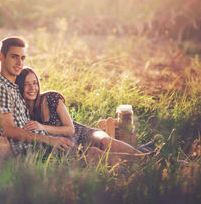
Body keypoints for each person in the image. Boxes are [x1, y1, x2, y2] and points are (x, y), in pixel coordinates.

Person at [15, 67, 150, 164]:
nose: (32, 88)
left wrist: (42, 127)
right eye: (26, 84)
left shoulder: (51, 98)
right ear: (20, 87)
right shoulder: (23, 114)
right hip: (68, 148)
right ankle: (141, 162)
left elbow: (70, 129)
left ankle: (145, 157)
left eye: (34, 83)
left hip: (82, 134)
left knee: (104, 140)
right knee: (93, 153)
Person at [0, 37, 74, 156]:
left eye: (22, 58)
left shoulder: (14, 87)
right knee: (90, 155)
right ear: (1, 57)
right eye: (14, 57)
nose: (19, 63)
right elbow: (8, 129)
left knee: (91, 150)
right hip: (29, 148)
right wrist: (49, 140)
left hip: (40, 142)